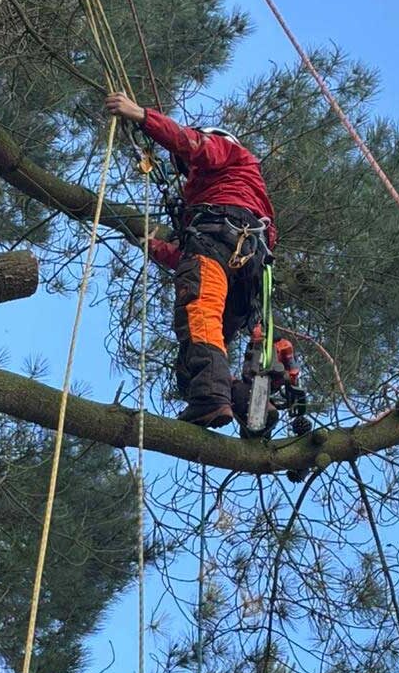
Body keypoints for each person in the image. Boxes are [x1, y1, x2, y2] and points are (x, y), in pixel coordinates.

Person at [105, 93, 276, 428]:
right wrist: (153, 247)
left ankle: (211, 399)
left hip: (219, 241)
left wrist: (141, 116)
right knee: (190, 364)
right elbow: (190, 256)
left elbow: (192, 144)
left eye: (188, 168)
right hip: (249, 269)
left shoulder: (227, 153)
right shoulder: (244, 195)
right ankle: (248, 402)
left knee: (200, 313)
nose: (188, 174)